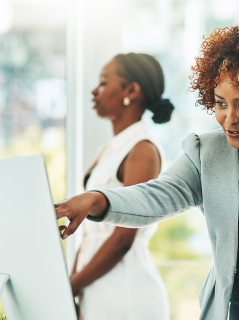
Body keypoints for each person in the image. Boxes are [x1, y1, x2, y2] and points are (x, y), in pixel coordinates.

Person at [56, 19, 239, 320]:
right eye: (221, 104)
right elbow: (156, 196)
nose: (228, 119)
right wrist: (97, 199)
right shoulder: (206, 154)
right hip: (234, 312)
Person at [69, 53, 174, 320]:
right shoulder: (110, 150)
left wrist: (69, 287)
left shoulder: (142, 150)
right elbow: (93, 236)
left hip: (125, 294)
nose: (95, 90)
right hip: (98, 287)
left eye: (103, 82)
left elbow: (122, 239)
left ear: (131, 90)